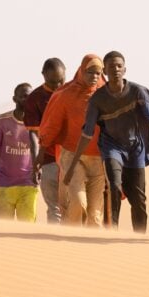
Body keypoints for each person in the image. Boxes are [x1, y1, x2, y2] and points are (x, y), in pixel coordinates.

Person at [62, 51, 149, 233]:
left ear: (125, 69)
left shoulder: (137, 91)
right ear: (105, 73)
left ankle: (139, 236)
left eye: (119, 66)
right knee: (115, 186)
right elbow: (87, 134)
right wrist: (70, 168)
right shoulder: (98, 99)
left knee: (138, 198)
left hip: (136, 149)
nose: (115, 69)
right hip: (112, 147)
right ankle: (113, 231)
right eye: (111, 67)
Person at [41, 54, 106, 226]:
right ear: (81, 71)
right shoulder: (66, 94)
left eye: (98, 73)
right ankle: (68, 240)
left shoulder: (107, 94)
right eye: (90, 72)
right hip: (71, 155)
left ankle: (90, 249)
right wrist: (42, 149)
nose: (94, 76)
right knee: (78, 204)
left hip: (98, 158)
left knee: (95, 213)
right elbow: (52, 123)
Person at [22, 58, 67, 223]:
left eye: (61, 81)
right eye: (52, 82)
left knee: (74, 204)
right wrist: (36, 161)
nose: (57, 86)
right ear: (43, 75)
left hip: (72, 159)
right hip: (48, 159)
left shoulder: (72, 92)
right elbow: (33, 134)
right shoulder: (35, 98)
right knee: (54, 207)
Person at [0, 82, 39, 222]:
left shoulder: (38, 122)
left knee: (27, 231)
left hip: (29, 184)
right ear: (15, 99)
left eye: (31, 97)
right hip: (3, 184)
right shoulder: (1, 122)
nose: (28, 100)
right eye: (24, 97)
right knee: (1, 230)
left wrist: (39, 171)